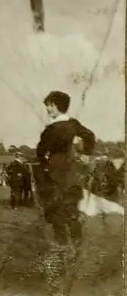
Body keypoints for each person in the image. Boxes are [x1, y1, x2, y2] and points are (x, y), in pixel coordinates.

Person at [36, 91, 95, 295]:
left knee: (55, 209)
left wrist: (43, 167)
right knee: (70, 209)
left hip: (55, 172)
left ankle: (63, 249)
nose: (48, 109)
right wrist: (86, 154)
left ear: (57, 106)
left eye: (50, 105)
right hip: (70, 171)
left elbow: (40, 152)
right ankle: (77, 248)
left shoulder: (50, 129)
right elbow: (90, 136)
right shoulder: (73, 123)